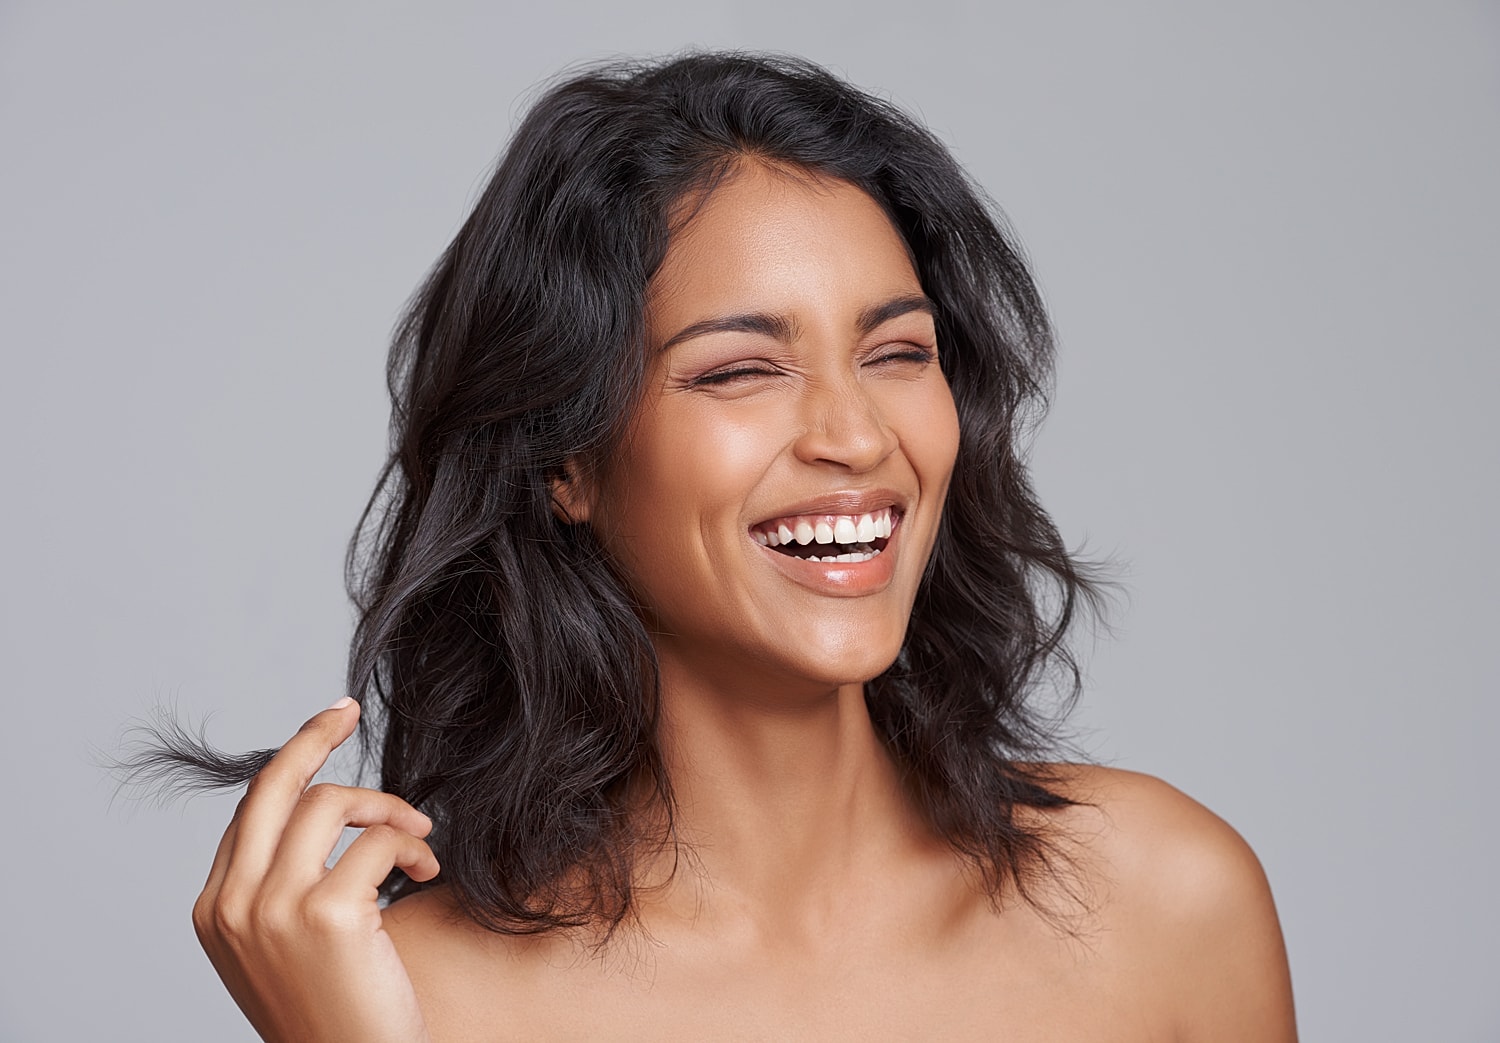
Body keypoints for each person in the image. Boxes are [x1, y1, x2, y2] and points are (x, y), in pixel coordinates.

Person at [175, 52, 1296, 1040]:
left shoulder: (1167, 901)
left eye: (899, 352)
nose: (857, 436)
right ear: (564, 459)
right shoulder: (415, 1001)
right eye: (740, 370)